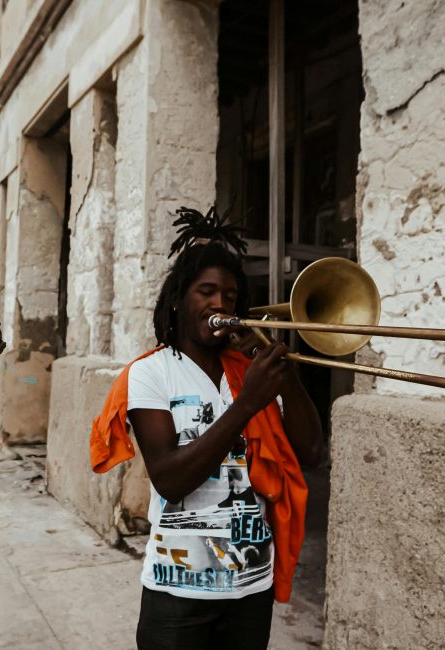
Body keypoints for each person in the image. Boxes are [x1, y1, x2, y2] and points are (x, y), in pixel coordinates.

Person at [91, 207, 322, 649]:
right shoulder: (151, 374)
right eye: (207, 291)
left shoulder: (248, 371)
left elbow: (311, 454)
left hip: (251, 587)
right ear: (179, 298)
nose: (221, 305)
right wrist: (247, 403)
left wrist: (285, 371)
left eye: (230, 296)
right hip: (177, 590)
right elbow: (171, 478)